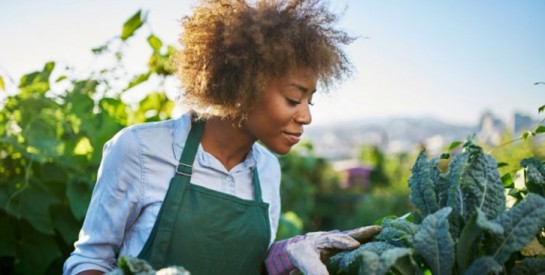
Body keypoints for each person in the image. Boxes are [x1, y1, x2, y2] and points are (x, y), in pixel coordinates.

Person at [64, 0, 381, 274]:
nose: (306, 117)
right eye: (293, 99)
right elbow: (89, 259)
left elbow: (249, 265)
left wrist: (287, 257)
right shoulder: (140, 149)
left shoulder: (267, 170)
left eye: (309, 102)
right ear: (244, 87)